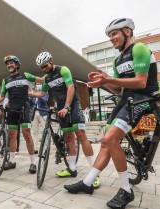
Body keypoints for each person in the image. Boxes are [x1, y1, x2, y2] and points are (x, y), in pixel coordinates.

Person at [64, 18, 160, 209]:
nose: (112, 39)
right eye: (109, 36)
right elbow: (117, 90)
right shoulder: (118, 60)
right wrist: (104, 82)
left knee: (110, 139)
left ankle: (126, 190)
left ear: (127, 32)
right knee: (106, 141)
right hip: (125, 100)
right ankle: (88, 183)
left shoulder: (138, 49)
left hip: (143, 98)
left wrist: (108, 79)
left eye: (114, 34)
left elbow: (141, 82)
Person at [29, 52, 97, 181]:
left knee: (81, 135)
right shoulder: (47, 78)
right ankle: (72, 169)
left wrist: (66, 107)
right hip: (61, 108)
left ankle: (95, 172)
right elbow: (42, 93)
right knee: (69, 138)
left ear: (51, 61)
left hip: (73, 104)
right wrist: (30, 93)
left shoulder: (63, 70)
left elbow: (70, 87)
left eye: (46, 65)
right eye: (42, 67)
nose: (45, 69)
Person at [0, 55, 43, 174]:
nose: (9, 65)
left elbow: (40, 80)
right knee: (12, 135)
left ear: (17, 65)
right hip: (12, 110)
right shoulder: (5, 80)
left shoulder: (25, 75)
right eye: (8, 64)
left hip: (24, 108)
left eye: (12, 63)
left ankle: (32, 162)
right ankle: (12, 161)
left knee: (27, 134)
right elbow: (2, 96)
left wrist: (50, 74)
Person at [29, 83, 49, 154]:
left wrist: (39, 94)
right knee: (35, 131)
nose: (38, 85)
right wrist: (29, 95)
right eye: (37, 84)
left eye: (40, 84)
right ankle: (35, 148)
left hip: (43, 112)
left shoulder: (45, 91)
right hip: (34, 113)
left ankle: (46, 148)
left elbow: (45, 101)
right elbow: (30, 103)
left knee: (45, 130)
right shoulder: (33, 92)